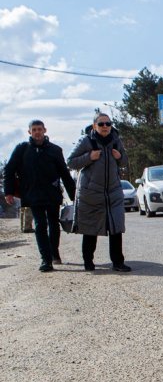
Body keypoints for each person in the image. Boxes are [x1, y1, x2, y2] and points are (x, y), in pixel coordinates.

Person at [4, 119, 75, 272]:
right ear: (29, 132)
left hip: (52, 193)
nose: (37, 132)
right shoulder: (22, 149)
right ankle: (46, 259)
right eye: (34, 129)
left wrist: (74, 195)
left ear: (45, 130)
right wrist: (8, 192)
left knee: (54, 224)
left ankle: (54, 252)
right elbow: (9, 170)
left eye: (39, 129)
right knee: (40, 225)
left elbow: (64, 173)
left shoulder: (55, 150)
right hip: (32, 194)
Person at [67, 113, 131, 272]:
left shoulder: (116, 140)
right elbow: (70, 162)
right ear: (94, 126)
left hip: (113, 192)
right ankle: (88, 262)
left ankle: (118, 262)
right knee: (90, 229)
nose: (105, 127)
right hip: (91, 193)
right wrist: (89, 156)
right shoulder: (86, 141)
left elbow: (124, 162)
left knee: (116, 227)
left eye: (108, 124)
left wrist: (120, 156)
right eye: (101, 124)